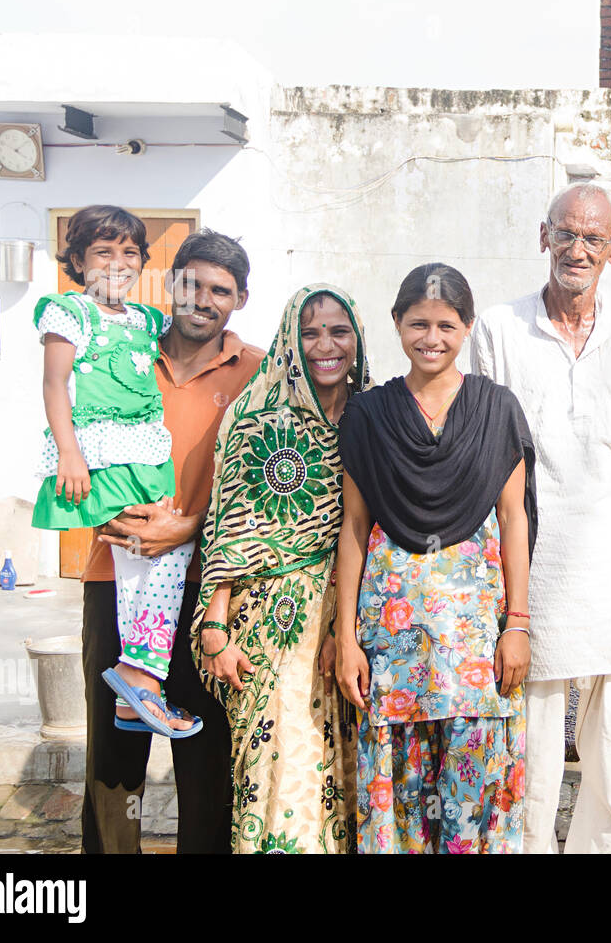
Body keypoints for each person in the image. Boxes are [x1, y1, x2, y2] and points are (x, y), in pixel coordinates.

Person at [471, 183, 611, 854]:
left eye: (594, 238)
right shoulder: (500, 329)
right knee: (529, 748)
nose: (578, 249)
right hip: (532, 560)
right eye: (566, 234)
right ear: (543, 238)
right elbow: (485, 454)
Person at [336, 263, 536, 854]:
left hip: (474, 643)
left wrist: (518, 625)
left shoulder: (496, 409)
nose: (432, 337)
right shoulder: (369, 415)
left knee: (477, 788)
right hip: (392, 643)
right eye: (418, 323)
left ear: (467, 327)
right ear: (397, 324)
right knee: (399, 793)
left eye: (446, 324)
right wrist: (346, 637)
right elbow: (353, 525)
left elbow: (514, 518)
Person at [79, 228, 264, 853]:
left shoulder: (258, 374)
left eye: (220, 290)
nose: (202, 300)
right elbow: (74, 442)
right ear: (171, 283)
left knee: (207, 755)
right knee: (115, 751)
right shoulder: (118, 354)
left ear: (239, 298)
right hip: (116, 575)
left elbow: (269, 483)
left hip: (211, 591)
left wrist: (192, 524)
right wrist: (107, 515)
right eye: (191, 284)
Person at [191, 283, 367, 853]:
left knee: (345, 774)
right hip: (271, 622)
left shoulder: (374, 417)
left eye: (339, 331)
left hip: (352, 619)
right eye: (310, 332)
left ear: (358, 339)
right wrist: (216, 627)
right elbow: (228, 525)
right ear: (290, 339)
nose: (325, 345)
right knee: (276, 768)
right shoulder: (256, 417)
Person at [32, 206, 198, 737]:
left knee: (160, 556)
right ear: (78, 260)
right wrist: (69, 454)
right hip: (99, 455)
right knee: (144, 554)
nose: (118, 263)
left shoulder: (149, 320)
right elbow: (54, 385)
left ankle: (135, 693)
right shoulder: (69, 313)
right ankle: (140, 678)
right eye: (103, 251)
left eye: (130, 253)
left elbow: (196, 328)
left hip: (146, 457)